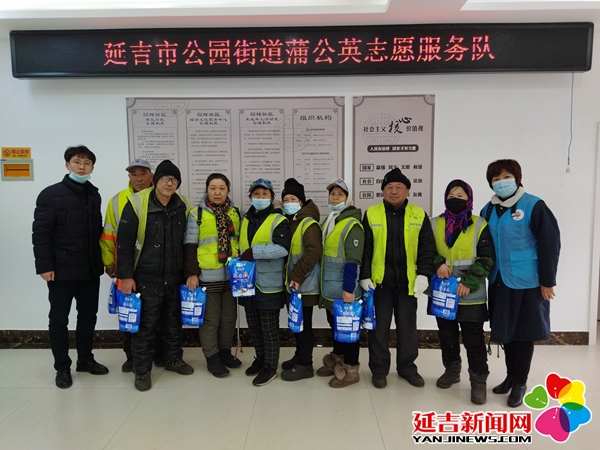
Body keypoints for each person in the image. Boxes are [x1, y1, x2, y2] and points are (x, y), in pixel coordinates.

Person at [482, 159, 560, 408]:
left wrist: (547, 281)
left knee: (524, 333)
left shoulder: (533, 205)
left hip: (528, 281)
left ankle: (520, 382)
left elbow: (550, 244)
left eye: (506, 177)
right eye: (495, 179)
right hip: (499, 280)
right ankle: (510, 376)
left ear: (517, 178)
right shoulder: (488, 209)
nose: (501, 182)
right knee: (506, 332)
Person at [32, 145, 108, 389]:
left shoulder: (94, 194)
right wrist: (44, 266)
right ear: (67, 165)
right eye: (77, 162)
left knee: (88, 317)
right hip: (61, 270)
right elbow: (41, 234)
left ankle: (85, 359)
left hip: (89, 269)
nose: (82, 167)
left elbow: (97, 231)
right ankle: (62, 367)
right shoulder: (50, 195)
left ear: (92, 167)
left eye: (87, 163)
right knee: (59, 320)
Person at [116, 159, 194, 391]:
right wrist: (126, 275)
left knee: (173, 323)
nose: (170, 183)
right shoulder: (137, 203)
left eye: (174, 180)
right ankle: (142, 370)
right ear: (156, 180)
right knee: (146, 327)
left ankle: (172, 358)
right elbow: (124, 243)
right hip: (146, 277)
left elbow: (188, 241)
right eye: (165, 178)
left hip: (174, 276)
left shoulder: (183, 204)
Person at [360, 167, 434, 389]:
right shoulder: (371, 214)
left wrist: (424, 274)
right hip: (380, 284)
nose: (394, 191)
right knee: (378, 329)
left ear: (407, 190)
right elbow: (366, 248)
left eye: (399, 187)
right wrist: (364, 276)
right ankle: (379, 369)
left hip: (407, 284)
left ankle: (407, 368)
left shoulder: (419, 214)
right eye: (389, 187)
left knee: (407, 328)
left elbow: (426, 248)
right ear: (383, 191)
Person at [429, 180, 495, 404]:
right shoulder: (435, 223)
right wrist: (437, 263)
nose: (455, 199)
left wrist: (469, 282)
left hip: (470, 295)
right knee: (446, 335)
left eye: (460, 195)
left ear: (469, 199)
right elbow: (425, 250)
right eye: (451, 195)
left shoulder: (480, 224)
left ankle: (478, 380)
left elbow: (487, 257)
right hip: (443, 293)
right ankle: (452, 370)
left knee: (473, 339)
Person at [100, 158, 164, 373]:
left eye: (143, 173)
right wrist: (109, 263)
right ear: (129, 176)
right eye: (134, 174)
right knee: (130, 312)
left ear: (151, 175)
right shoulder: (118, 200)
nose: (138, 178)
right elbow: (109, 234)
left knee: (157, 313)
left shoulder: (162, 196)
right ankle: (131, 356)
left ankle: (158, 353)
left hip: (154, 268)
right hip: (126, 267)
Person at [183, 173, 243, 378]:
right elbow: (189, 246)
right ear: (207, 190)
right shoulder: (197, 214)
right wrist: (192, 274)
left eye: (222, 188)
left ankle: (225, 352)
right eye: (213, 188)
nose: (217, 192)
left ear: (228, 191)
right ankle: (212, 357)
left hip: (232, 276)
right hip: (207, 276)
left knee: (229, 318)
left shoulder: (236, 213)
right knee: (211, 320)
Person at [238, 178, 291, 386]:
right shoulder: (246, 218)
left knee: (269, 330)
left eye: (264, 194)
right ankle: (260, 359)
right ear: (251, 197)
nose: (260, 197)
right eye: (256, 194)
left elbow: (282, 249)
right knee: (254, 326)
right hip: (246, 282)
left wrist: (254, 252)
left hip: (268, 284)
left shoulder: (279, 220)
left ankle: (270, 367)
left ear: (271, 197)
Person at [317, 178, 364, 388]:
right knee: (336, 326)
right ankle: (338, 359)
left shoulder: (352, 225)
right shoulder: (330, 220)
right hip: (330, 288)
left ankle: (351, 369)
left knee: (349, 331)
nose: (335, 198)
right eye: (332, 194)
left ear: (348, 198)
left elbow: (354, 261)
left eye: (340, 194)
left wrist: (349, 289)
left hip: (344, 290)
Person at [279, 178, 322, 382]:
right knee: (297, 323)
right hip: (294, 285)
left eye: (293, 199)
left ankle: (305, 364)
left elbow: (314, 251)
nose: (289, 202)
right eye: (286, 199)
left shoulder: (308, 223)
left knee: (304, 325)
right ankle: (299, 356)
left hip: (304, 284)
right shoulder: (290, 221)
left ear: (301, 202)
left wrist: (296, 275)